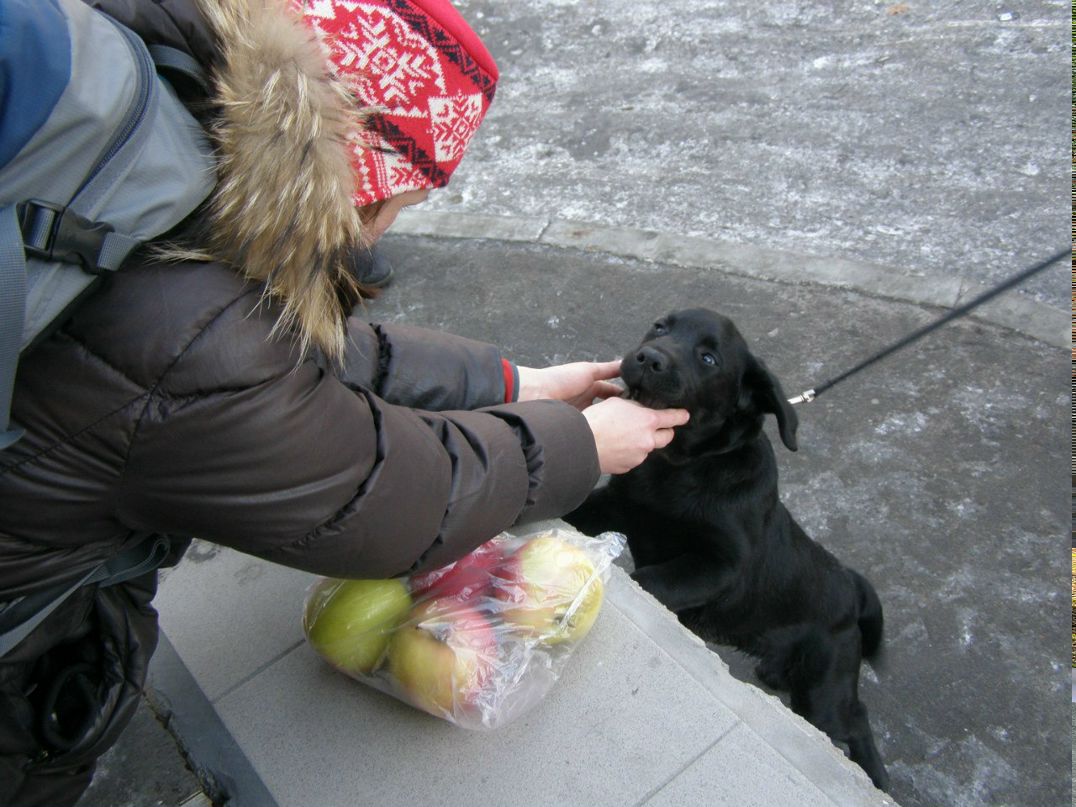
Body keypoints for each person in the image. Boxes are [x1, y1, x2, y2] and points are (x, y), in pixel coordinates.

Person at [0, 0, 689, 804]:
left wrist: (515, 384)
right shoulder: (200, 337)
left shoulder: (166, 143)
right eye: (402, 200)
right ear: (359, 164)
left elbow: (281, 356)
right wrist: (582, 444)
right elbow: (386, 496)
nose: (388, 228)